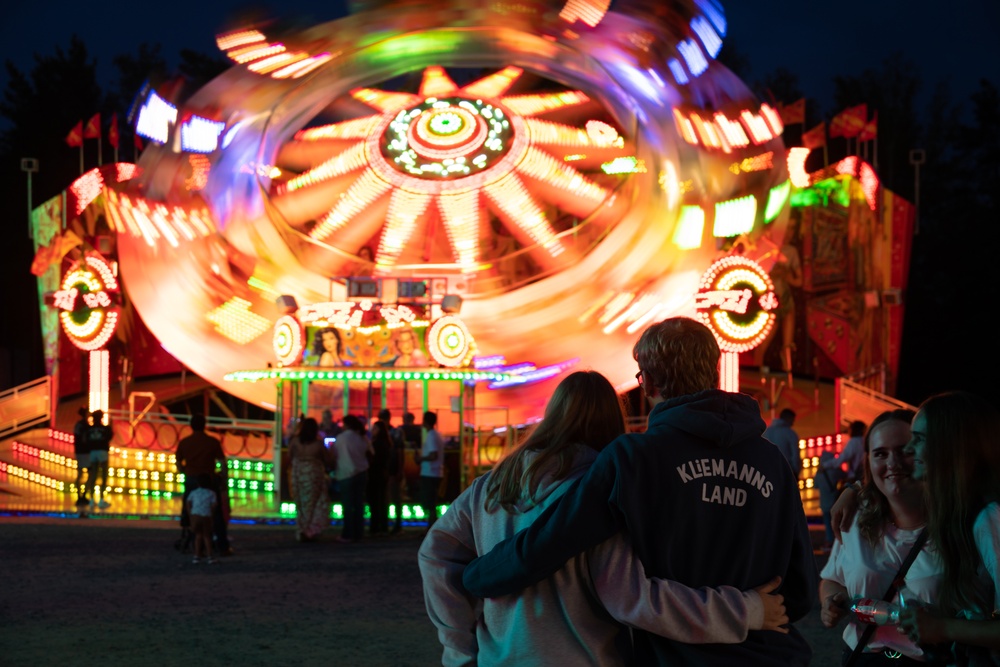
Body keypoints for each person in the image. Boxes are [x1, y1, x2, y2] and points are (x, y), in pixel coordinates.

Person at [462, 317, 817, 665]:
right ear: (713, 371)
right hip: (773, 652)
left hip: (678, 655)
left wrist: (476, 576)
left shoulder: (633, 459)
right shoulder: (772, 461)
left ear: (647, 382)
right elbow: (799, 589)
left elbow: (548, 543)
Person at [819, 409, 940, 664]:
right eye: (880, 454)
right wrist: (830, 602)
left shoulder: (957, 526)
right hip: (863, 655)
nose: (893, 463)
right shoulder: (854, 519)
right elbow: (831, 579)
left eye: (905, 449)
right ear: (869, 463)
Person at [893, 392, 1000, 665]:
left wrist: (941, 628)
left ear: (952, 446)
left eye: (919, 439)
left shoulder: (989, 518)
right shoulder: (960, 511)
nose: (908, 450)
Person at [175, 415, 231, 556]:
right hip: (209, 480)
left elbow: (178, 462)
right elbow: (223, 463)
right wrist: (224, 479)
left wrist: (184, 472)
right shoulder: (212, 442)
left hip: (191, 479)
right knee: (216, 513)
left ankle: (192, 541)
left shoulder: (185, 442)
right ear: (204, 425)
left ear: (191, 426)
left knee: (189, 510)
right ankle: (222, 545)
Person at [289, 417, 332, 542]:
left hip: (298, 474)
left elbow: (290, 456)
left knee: (301, 503)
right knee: (315, 503)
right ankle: (312, 530)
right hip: (313, 475)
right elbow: (328, 459)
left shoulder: (295, 441)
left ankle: (302, 529)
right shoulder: (318, 444)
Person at [333, 414, 373, 543]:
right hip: (361, 473)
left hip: (346, 474)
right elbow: (371, 453)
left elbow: (334, 455)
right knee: (358, 504)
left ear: (346, 425)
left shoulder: (341, 438)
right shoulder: (362, 438)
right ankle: (358, 532)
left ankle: (347, 533)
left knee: (348, 505)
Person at [416, 411, 444, 533]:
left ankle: (431, 529)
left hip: (430, 472)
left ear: (425, 421)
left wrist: (421, 458)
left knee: (430, 502)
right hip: (435, 472)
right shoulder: (436, 435)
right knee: (432, 502)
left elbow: (433, 455)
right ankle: (431, 528)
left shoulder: (431, 436)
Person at [815, 451, 847, 550]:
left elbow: (815, 486)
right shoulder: (834, 470)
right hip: (834, 501)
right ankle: (839, 541)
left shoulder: (818, 473)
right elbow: (845, 475)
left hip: (824, 503)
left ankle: (829, 541)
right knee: (837, 522)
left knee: (827, 523)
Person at [367, 409, 392, 536]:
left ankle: (375, 527)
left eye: (375, 429)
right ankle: (383, 526)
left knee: (375, 502)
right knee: (382, 501)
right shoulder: (386, 443)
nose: (372, 431)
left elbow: (374, 459)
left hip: (375, 475)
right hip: (382, 475)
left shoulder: (376, 444)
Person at [84, 410, 114, 509]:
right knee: (104, 475)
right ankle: (101, 499)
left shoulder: (89, 429)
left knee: (93, 475)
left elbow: (86, 440)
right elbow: (110, 436)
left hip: (92, 452)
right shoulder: (105, 428)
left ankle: (92, 499)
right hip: (102, 451)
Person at [186, 474, 218, 564]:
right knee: (207, 537)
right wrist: (211, 515)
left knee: (198, 536)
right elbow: (214, 505)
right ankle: (210, 557)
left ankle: (196, 557)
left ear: (198, 483)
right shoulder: (212, 493)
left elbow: (188, 503)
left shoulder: (193, 492)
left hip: (195, 515)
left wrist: (191, 515)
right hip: (206, 516)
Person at [763, 408, 802, 480]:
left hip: (768, 470)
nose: (793, 423)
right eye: (792, 420)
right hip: (786, 471)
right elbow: (795, 455)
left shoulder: (766, 432)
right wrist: (796, 472)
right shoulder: (790, 433)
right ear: (788, 418)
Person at [72, 407, 92, 505]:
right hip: (85, 453)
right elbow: (85, 440)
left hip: (79, 452)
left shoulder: (78, 425)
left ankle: (79, 495)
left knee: (79, 475)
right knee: (90, 474)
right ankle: (82, 495)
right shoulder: (85, 426)